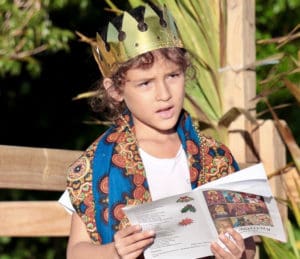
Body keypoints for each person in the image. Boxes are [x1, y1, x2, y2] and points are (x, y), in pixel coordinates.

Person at [64, 3, 256, 259]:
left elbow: (249, 246)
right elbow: (76, 252)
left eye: (173, 76)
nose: (164, 94)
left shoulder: (216, 157)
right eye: (145, 83)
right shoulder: (96, 166)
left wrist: (238, 253)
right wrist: (115, 251)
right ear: (115, 90)